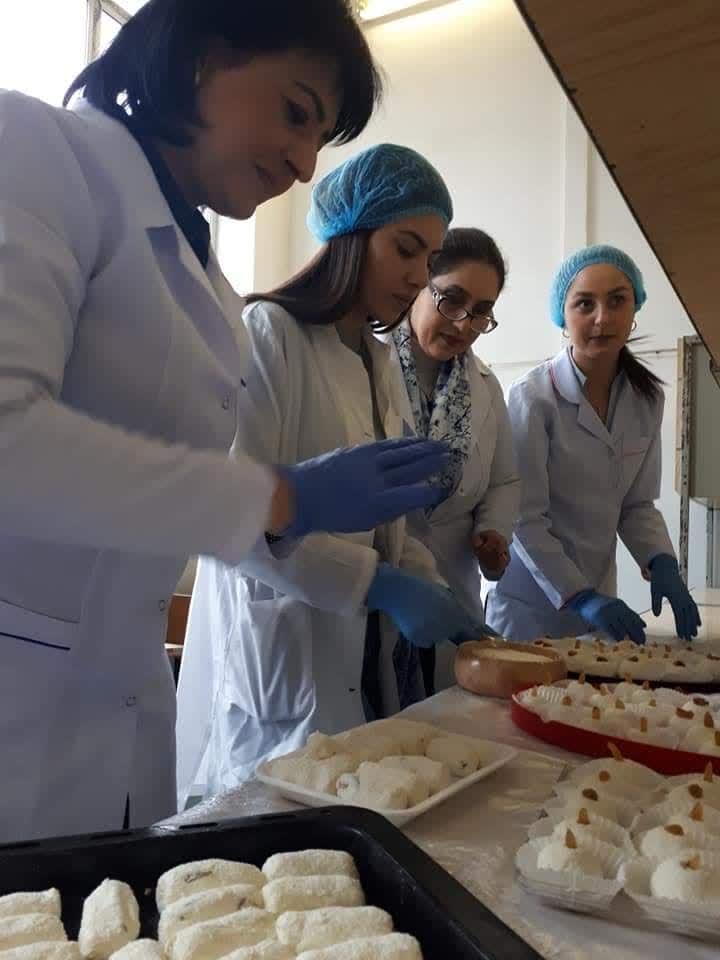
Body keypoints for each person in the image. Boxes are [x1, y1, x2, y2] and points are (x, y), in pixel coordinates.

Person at [0, 1, 449, 844]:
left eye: (322, 137)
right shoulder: (33, 150)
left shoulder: (201, 271)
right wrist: (277, 498)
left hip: (124, 725)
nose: (305, 162)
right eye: (296, 112)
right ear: (203, 56)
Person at [176, 144, 482, 805]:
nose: (417, 276)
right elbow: (235, 522)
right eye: (405, 249)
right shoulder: (269, 333)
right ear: (351, 233)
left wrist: (430, 586)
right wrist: (376, 583)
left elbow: (385, 528)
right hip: (279, 669)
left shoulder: (377, 361)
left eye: (429, 259)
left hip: (356, 660)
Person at [486, 245, 701, 644]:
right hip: (530, 613)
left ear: (634, 308)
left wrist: (662, 561)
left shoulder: (646, 398)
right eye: (585, 303)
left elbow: (636, 505)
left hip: (602, 608)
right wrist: (579, 595)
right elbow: (524, 519)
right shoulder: (533, 398)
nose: (602, 318)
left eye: (617, 300)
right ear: (563, 316)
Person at [387, 228, 520, 693]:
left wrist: (494, 532)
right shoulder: (365, 362)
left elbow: (504, 480)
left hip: (452, 596)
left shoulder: (485, 387)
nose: (464, 323)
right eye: (452, 300)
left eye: (481, 312)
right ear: (419, 285)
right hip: (378, 595)